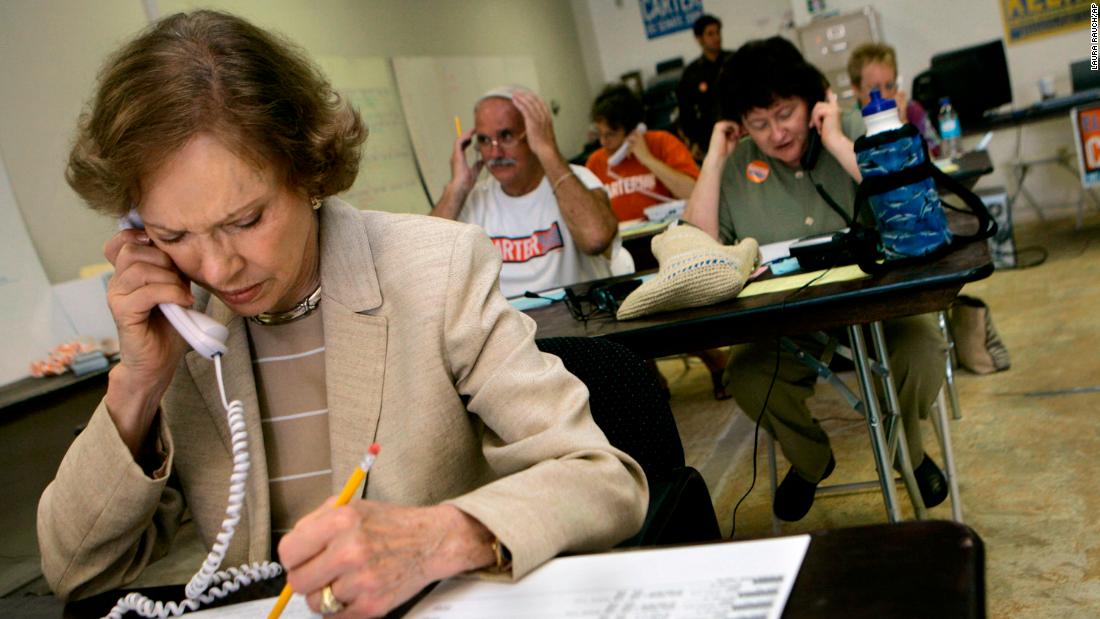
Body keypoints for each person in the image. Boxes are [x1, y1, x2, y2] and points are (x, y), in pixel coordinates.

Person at [37, 11, 648, 617]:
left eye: (246, 220)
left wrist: (437, 539)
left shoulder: (435, 271)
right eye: (174, 234)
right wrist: (138, 386)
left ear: (308, 171)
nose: (218, 270)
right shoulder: (179, 319)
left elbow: (600, 477)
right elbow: (73, 570)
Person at [682, 36, 949, 522]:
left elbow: (913, 205)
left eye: (785, 113)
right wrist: (714, 159)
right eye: (758, 124)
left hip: (878, 308)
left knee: (922, 351)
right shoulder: (739, 162)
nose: (776, 134)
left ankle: (908, 449)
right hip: (788, 324)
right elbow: (698, 251)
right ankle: (809, 459)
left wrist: (837, 145)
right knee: (748, 375)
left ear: (813, 101)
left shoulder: (854, 130)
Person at [585, 83, 730, 401]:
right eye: (601, 134)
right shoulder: (596, 163)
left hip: (668, 245)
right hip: (622, 252)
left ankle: (717, 361)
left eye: (611, 134)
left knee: (674, 302)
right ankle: (649, 378)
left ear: (632, 130)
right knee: (619, 307)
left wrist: (646, 158)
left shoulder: (661, 144)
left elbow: (694, 192)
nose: (605, 143)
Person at [430, 85, 619, 299]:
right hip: (508, 329)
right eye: (484, 140)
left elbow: (596, 239)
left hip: (579, 321)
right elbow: (422, 264)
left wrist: (548, 149)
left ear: (533, 135)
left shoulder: (577, 179)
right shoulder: (473, 198)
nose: (495, 152)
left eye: (507, 136)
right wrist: (457, 187)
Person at [847, 42, 941, 157]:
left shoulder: (912, 111)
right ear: (856, 89)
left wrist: (903, 125)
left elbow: (933, 162)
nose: (885, 95)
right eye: (875, 88)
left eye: (890, 86)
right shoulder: (851, 124)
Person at [676, 14, 734, 160]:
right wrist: (694, 141)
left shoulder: (734, 61)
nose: (716, 37)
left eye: (718, 32)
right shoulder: (692, 74)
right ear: (699, 39)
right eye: (710, 34)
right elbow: (686, 112)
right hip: (710, 137)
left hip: (739, 129)